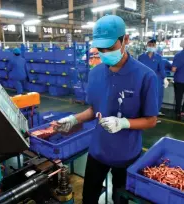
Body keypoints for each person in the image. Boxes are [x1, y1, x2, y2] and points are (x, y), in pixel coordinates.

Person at [55, 15, 158, 204]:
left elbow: (151, 120)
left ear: (125, 40)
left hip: (127, 155)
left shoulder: (146, 76)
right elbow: (94, 109)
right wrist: (73, 119)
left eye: (110, 48)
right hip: (98, 151)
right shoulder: (95, 74)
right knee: (89, 198)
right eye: (100, 49)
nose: (104, 53)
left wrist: (123, 123)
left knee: (120, 199)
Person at [138, 39, 167, 122]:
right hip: (143, 79)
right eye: (149, 45)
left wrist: (164, 78)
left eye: (153, 45)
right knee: (143, 96)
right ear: (147, 45)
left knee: (156, 98)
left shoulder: (159, 57)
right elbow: (138, 68)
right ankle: (143, 114)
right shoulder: (141, 57)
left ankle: (154, 116)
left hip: (156, 81)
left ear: (155, 46)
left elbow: (161, 70)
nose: (151, 47)